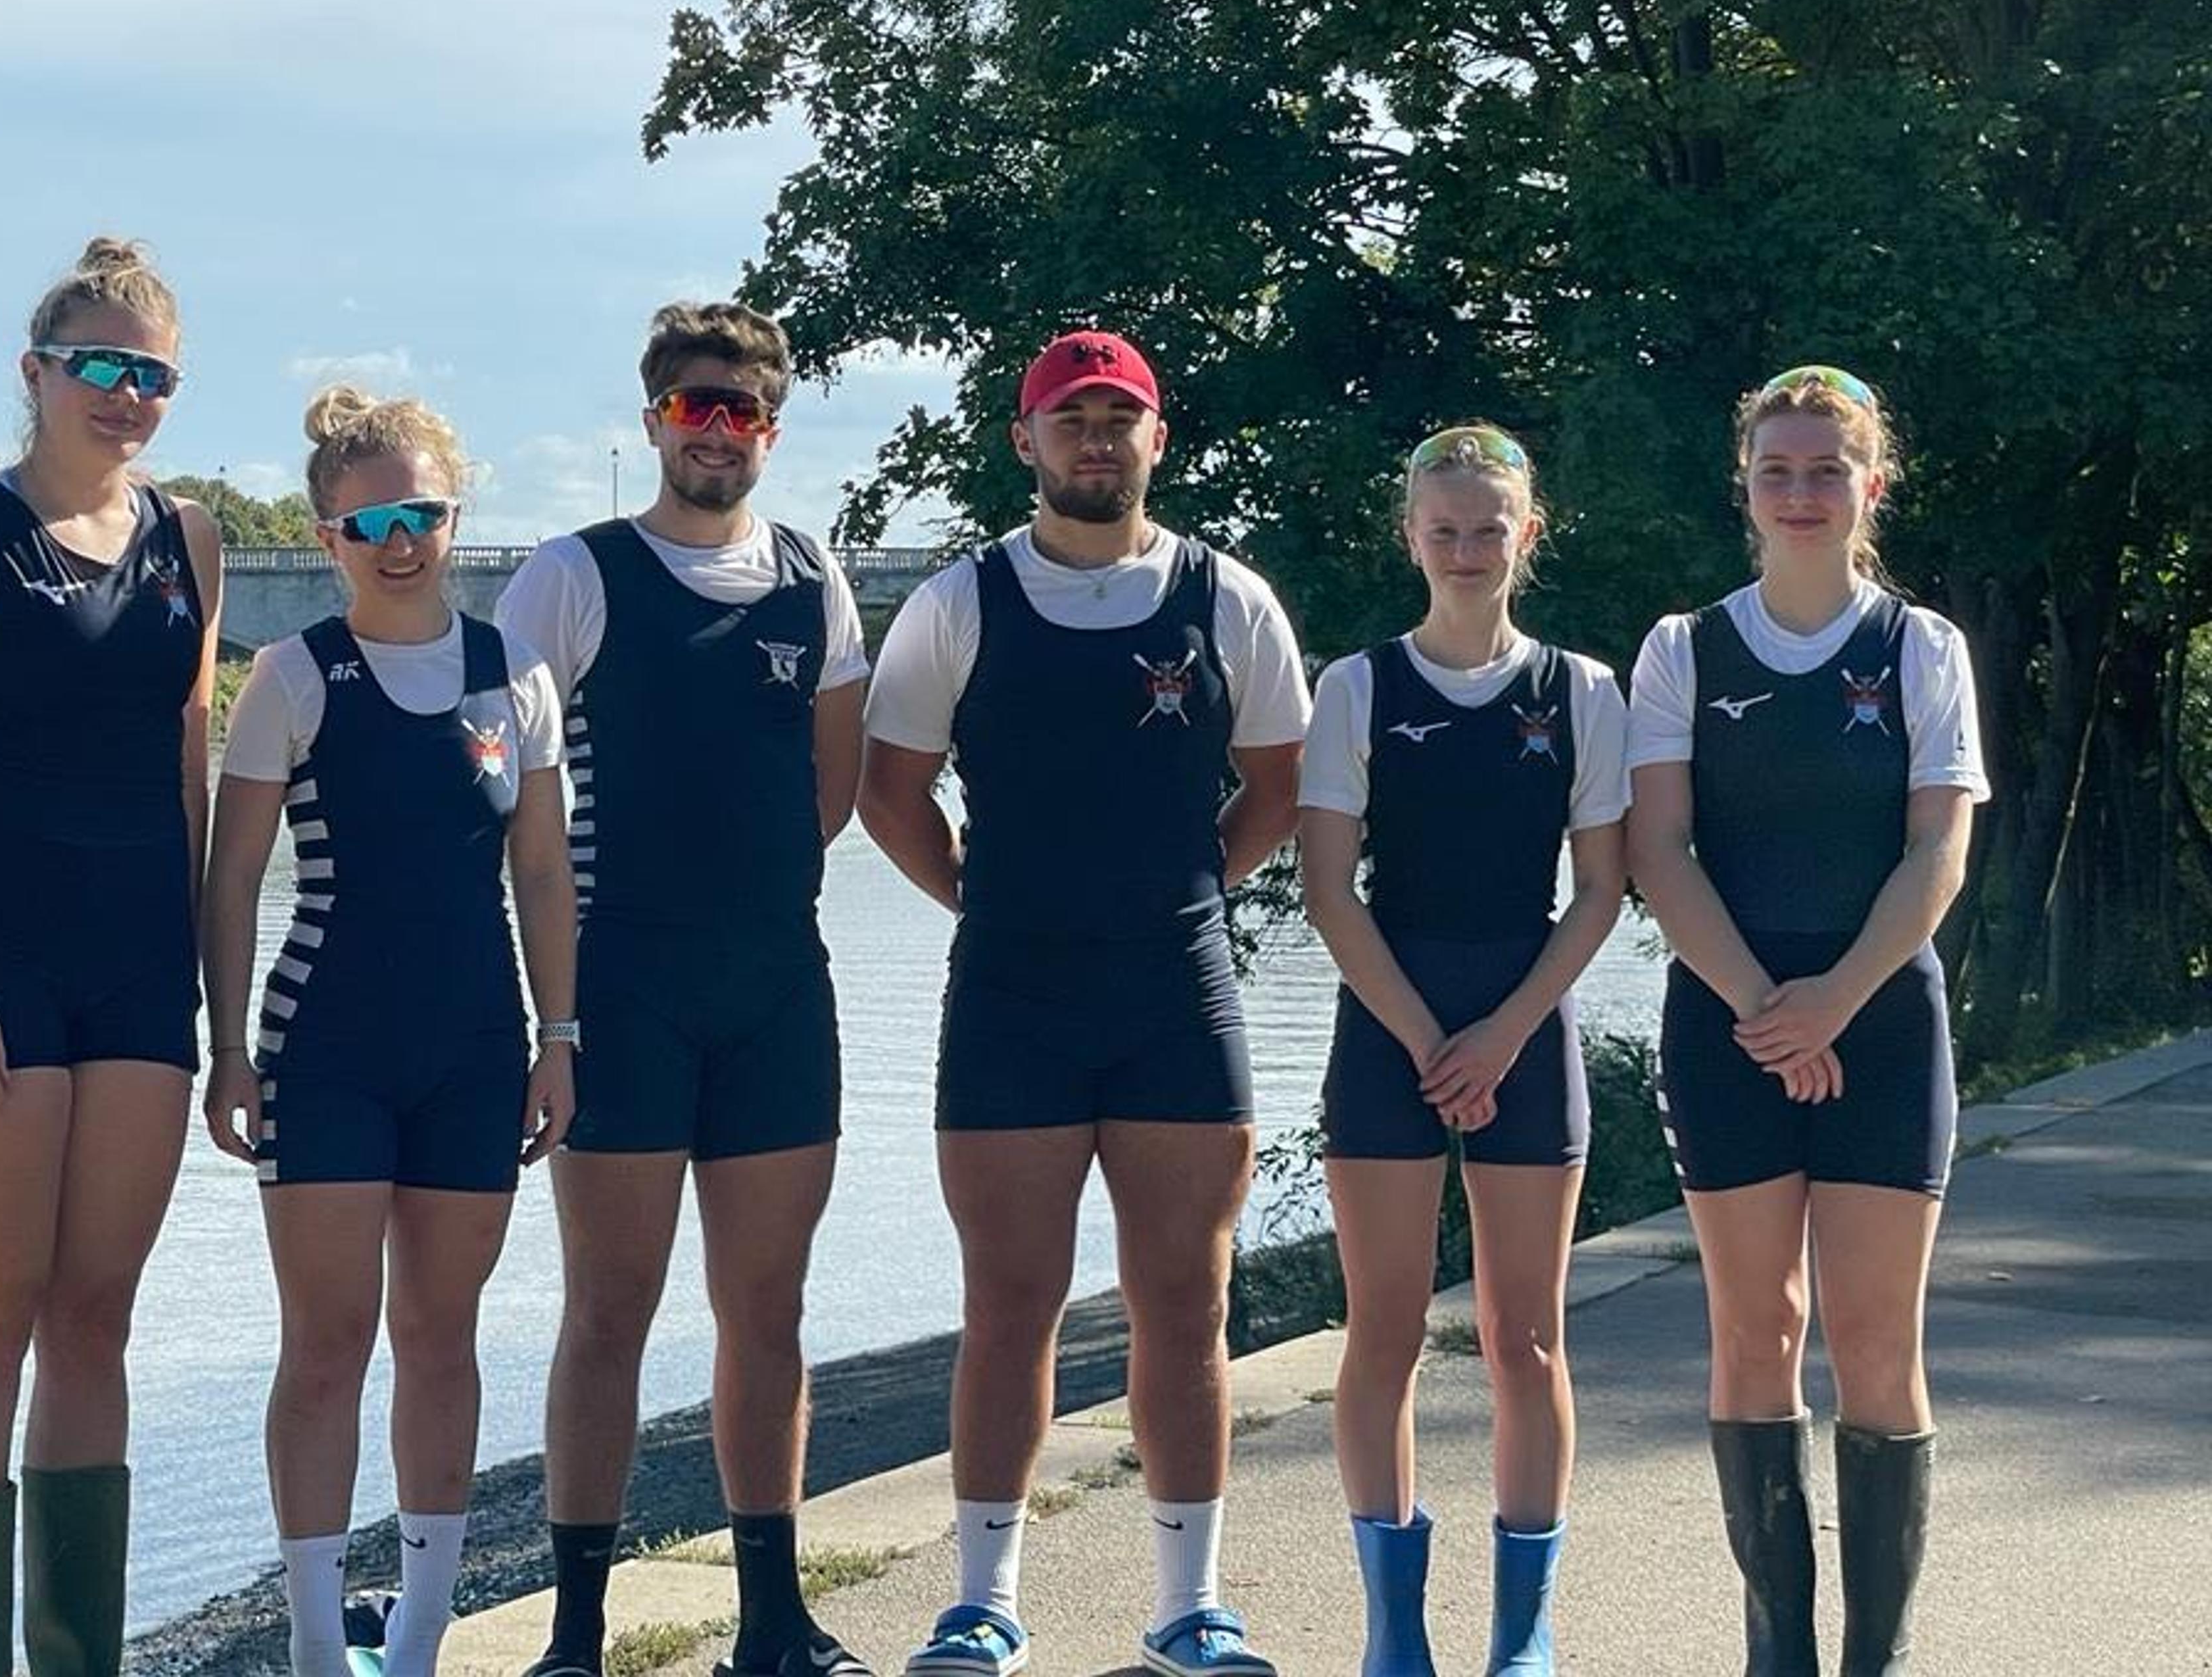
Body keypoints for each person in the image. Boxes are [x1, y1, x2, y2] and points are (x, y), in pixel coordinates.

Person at [859, 329, 1309, 1677]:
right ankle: (984, 1600)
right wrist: (987, 904)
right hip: (1011, 992)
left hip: (1177, 988)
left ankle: (1189, 1609)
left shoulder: (1227, 599)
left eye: (1122, 419)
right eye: (1072, 419)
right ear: (1028, 440)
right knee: (1011, 1299)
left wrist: (1182, 893)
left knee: (1185, 1298)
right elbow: (890, 794)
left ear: (1157, 440)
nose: (1096, 441)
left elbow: (1276, 787)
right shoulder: (959, 602)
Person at [0, 237, 222, 1676]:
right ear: (38, 373)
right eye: (102, 367)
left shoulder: (186, 541)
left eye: (155, 375)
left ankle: (80, 1660)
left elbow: (183, 759)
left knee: (95, 1318)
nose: (127, 395)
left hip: (138, 970)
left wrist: (202, 977)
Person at [494, 301, 873, 1677]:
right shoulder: (573, 576)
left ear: (772, 430)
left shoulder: (808, 577)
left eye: (744, 412)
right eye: (693, 408)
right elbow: (513, 792)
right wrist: (551, 1013)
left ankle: (772, 1623)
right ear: (657, 418)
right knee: (609, 1308)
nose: (717, 432)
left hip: (775, 980)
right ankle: (576, 1638)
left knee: (767, 1308)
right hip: (622, 984)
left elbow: (827, 790)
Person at [199, 387, 578, 1677]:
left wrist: (560, 1037)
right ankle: (317, 1641)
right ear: (327, 538)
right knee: (326, 1346)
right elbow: (234, 876)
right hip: (327, 1050)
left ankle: (415, 1642)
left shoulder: (514, 677)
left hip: (476, 1049)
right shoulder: (294, 677)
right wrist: (231, 1049)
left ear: (454, 514)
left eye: (421, 512)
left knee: (440, 1339)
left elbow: (542, 875)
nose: (400, 539)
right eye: (370, 523)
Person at [1625, 366, 1986, 1677]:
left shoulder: (1921, 649)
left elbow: (1936, 852)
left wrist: (1835, 999)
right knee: (1757, 1328)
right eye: (1777, 472)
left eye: (1826, 471)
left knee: (1878, 1340)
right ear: (1747, 490)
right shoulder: (1682, 648)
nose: (1800, 493)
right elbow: (1660, 854)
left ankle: (1874, 1658)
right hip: (1728, 1020)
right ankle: (1777, 1649)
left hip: (1882, 1020)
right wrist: (1765, 1009)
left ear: (1869, 487)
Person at [1297, 425, 1628, 1676]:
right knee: (1380, 1328)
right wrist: (1432, 1037)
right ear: (1411, 540)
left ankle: (1523, 1626)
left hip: (1524, 1026)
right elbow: (1331, 890)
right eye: (1444, 530)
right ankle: (1393, 1629)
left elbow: (1599, 890)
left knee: (1524, 1338)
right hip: (1393, 1026)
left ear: (1527, 535)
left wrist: (1501, 1033)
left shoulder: (1582, 693)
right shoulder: (1359, 687)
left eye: (1490, 527)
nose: (1467, 548)